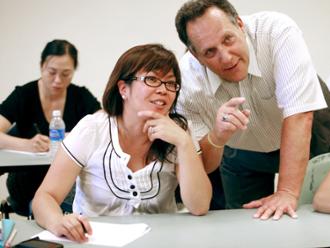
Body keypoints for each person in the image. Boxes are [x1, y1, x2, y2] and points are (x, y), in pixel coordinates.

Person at [174, 0, 330, 219]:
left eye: (228, 40)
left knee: (308, 211)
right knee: (244, 219)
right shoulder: (187, 84)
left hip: (310, 127)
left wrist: (287, 192)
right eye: (210, 52)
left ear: (240, 24)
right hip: (241, 148)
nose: (226, 58)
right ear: (195, 55)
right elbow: (201, 161)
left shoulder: (277, 30)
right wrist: (217, 136)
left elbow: (300, 115)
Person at [32, 44, 212, 242]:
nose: (163, 90)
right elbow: (44, 197)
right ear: (123, 89)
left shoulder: (180, 131)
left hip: (161, 241)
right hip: (93, 242)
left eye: (170, 83)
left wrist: (184, 143)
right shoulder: (93, 129)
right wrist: (57, 221)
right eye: (152, 79)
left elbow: (200, 205)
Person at [0, 39, 100, 216]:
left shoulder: (80, 96)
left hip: (68, 183)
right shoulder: (24, 95)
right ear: (41, 66)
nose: (57, 80)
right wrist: (26, 145)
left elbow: (105, 126)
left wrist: (76, 136)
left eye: (66, 74)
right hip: (27, 182)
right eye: (51, 72)